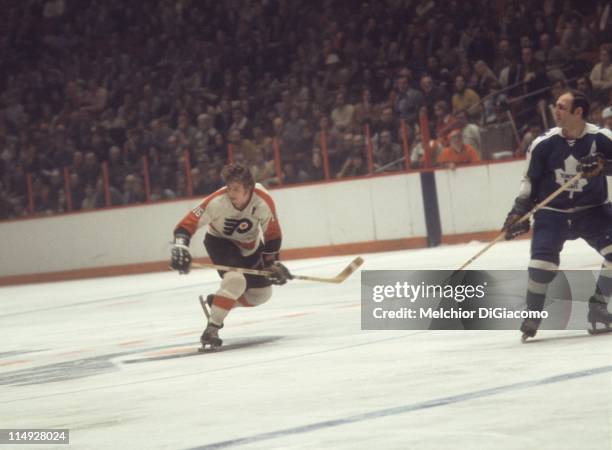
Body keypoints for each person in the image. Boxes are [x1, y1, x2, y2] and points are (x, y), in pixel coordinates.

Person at [502, 90, 612, 340]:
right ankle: (532, 315)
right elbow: (530, 179)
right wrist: (520, 211)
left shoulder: (602, 138)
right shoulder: (543, 143)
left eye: (562, 106)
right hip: (552, 213)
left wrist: (603, 166)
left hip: (592, 211)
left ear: (578, 112)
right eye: (555, 105)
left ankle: (598, 311)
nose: (556, 110)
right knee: (541, 267)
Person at [170, 164, 291, 348]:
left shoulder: (263, 200)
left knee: (261, 294)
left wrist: (272, 263)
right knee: (236, 280)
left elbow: (272, 235)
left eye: (236, 189)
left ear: (248, 189)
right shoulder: (217, 201)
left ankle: (219, 302)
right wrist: (180, 246)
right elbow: (186, 225)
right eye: (229, 188)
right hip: (221, 243)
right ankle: (212, 329)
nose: (231, 193)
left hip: (251, 248)